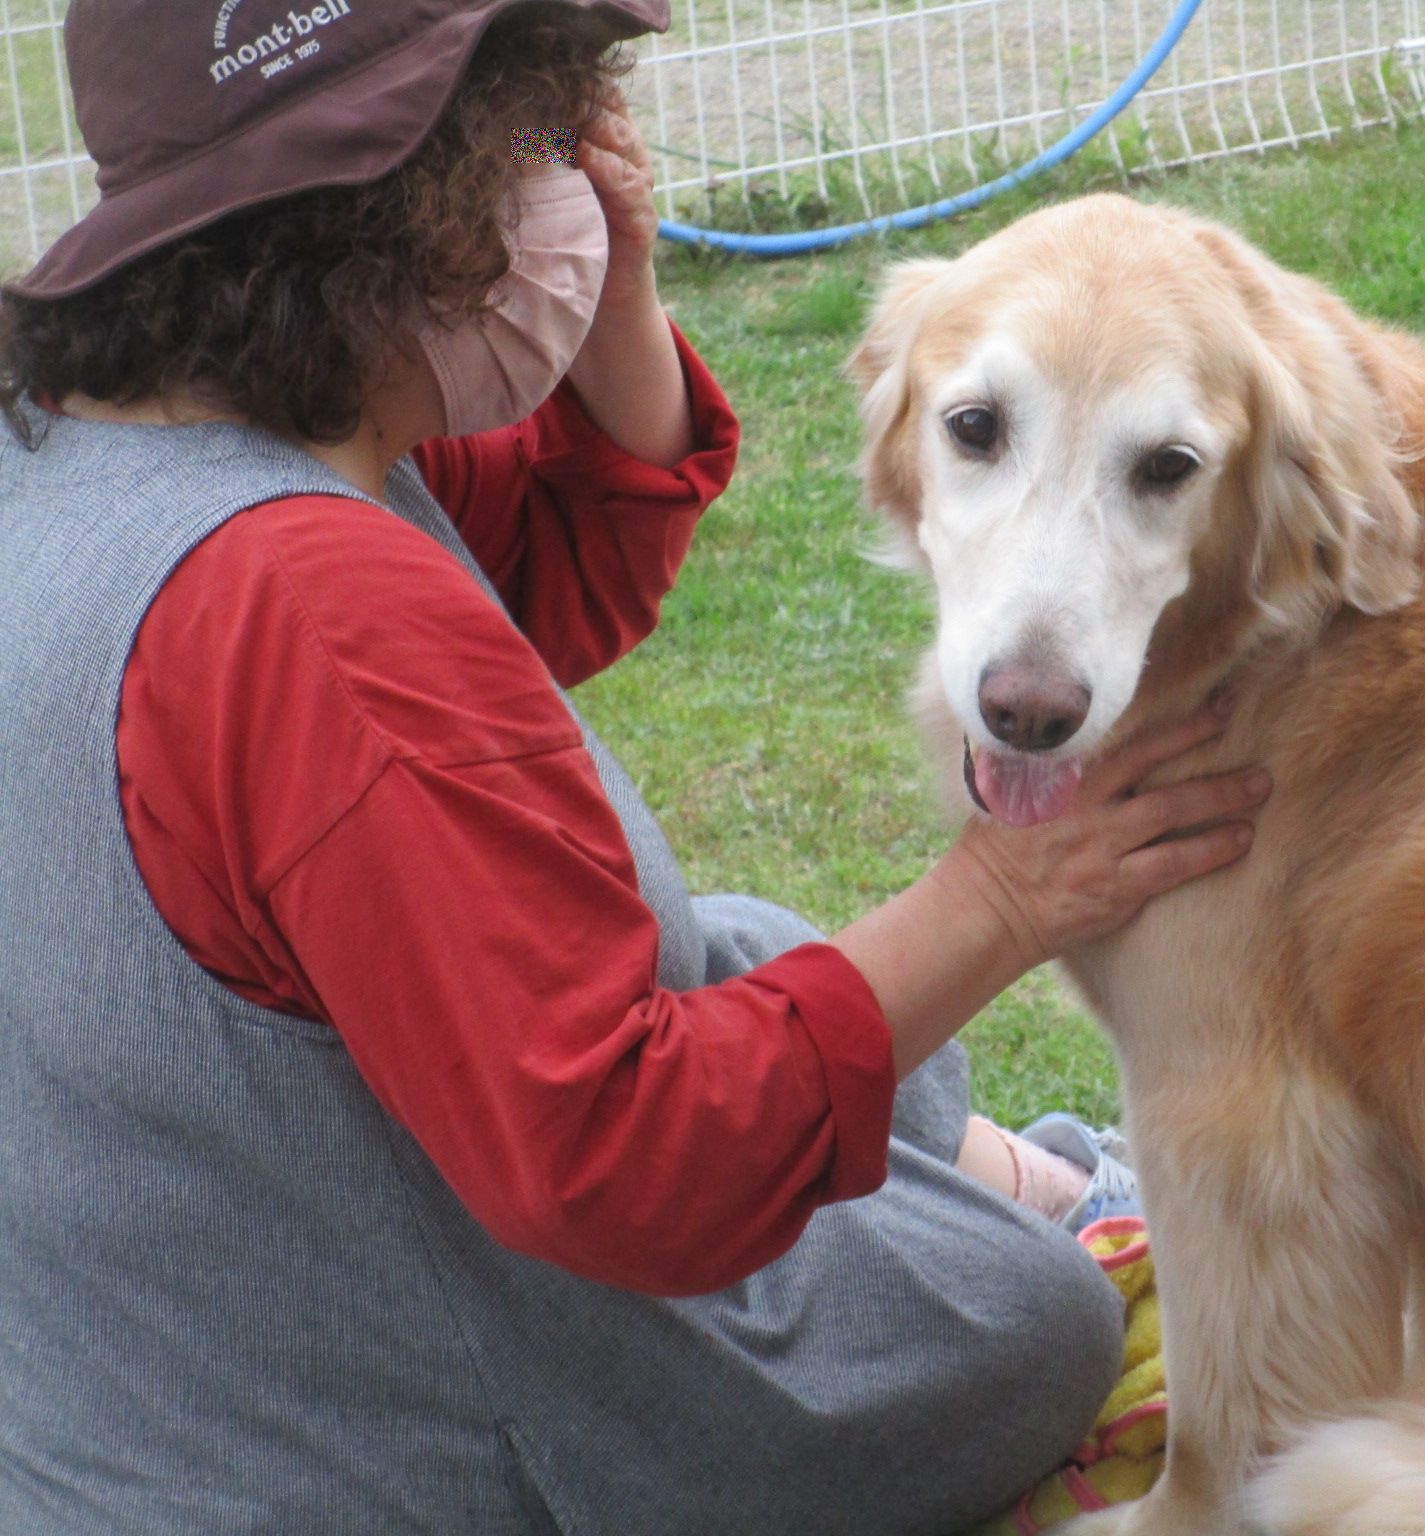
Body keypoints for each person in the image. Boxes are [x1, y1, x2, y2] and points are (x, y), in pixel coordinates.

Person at [0, 2, 1270, 1533]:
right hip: (376, 1434)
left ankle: (1024, 1178)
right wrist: (1012, 896)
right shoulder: (313, 615)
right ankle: (1053, 1209)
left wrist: (618, 295)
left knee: (747, 950)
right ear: (413, 197)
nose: (573, 195)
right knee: (1030, 1326)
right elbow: (620, 1163)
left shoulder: (111, 454)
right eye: (539, 143)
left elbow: (545, 557)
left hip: (164, 1330)